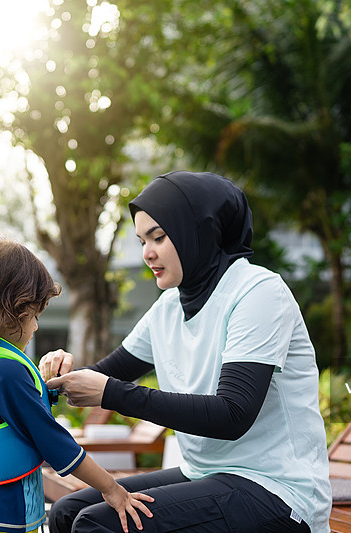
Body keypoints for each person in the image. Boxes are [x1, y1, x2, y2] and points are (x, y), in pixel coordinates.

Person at [42, 171, 332, 533]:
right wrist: (56, 373)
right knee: (68, 512)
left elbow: (232, 414)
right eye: (142, 240)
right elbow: (109, 372)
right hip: (206, 476)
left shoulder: (258, 292)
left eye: (159, 237)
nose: (147, 253)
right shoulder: (168, 308)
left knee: (97, 525)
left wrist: (111, 393)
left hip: (277, 490)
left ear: (199, 231)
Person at [0, 237, 153, 533]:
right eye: (34, 315)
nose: (36, 326)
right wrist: (113, 489)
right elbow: (53, 442)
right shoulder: (5, 371)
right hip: (8, 518)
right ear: (8, 307)